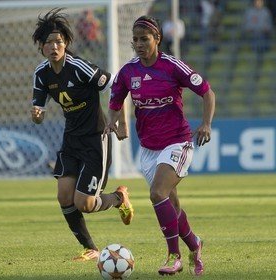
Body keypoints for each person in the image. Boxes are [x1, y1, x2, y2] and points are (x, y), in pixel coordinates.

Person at [104, 15, 216, 276]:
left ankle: (174, 255)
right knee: (171, 205)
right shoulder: (128, 71)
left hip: (178, 143)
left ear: (157, 39)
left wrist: (206, 124)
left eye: (145, 39)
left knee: (157, 193)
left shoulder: (172, 66)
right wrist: (116, 123)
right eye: (135, 40)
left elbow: (207, 92)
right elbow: (115, 100)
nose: (139, 44)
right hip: (148, 149)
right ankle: (194, 244)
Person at [30, 8, 134, 262]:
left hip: (96, 137)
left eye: (59, 42)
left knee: (84, 204)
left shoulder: (79, 68)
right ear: (41, 46)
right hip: (71, 139)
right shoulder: (41, 75)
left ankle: (119, 198)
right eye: (49, 42)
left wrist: (121, 123)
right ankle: (91, 248)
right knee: (64, 196)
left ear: (66, 44)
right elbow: (39, 112)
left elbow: (117, 86)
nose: (55, 46)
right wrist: (37, 115)